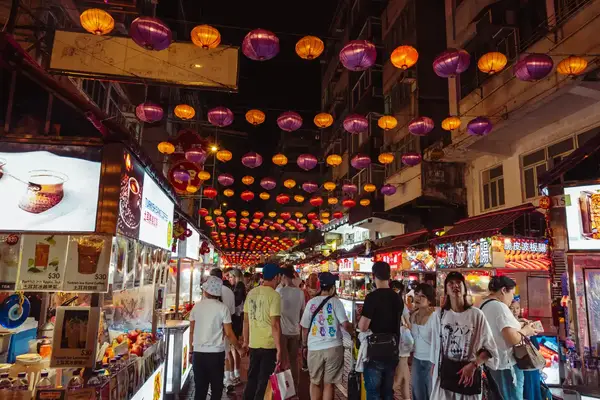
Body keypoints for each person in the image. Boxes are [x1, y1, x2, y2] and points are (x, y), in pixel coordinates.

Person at [429, 271, 499, 400]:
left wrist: (474, 365)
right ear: (446, 290)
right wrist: (434, 367)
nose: (455, 285)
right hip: (446, 374)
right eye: (450, 283)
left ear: (464, 288)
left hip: (469, 376)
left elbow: (490, 349)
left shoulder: (476, 315)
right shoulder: (439, 316)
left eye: (458, 282)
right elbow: (436, 347)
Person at [480, 277, 540, 400]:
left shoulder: (483, 304)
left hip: (490, 363)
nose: (512, 298)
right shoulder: (500, 307)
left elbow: (498, 330)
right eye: (511, 293)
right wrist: (526, 330)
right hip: (503, 364)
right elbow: (513, 339)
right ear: (503, 290)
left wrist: (519, 325)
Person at [301, 272, 353, 400]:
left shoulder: (311, 303)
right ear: (333, 288)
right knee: (329, 384)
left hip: (314, 348)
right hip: (334, 347)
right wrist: (353, 333)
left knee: (315, 382)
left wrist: (304, 345)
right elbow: (345, 325)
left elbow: (304, 327)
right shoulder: (336, 302)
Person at [189, 276, 243, 400]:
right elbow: (229, 333)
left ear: (206, 291)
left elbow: (192, 331)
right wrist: (239, 348)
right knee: (216, 390)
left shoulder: (196, 307)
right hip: (216, 355)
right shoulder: (222, 308)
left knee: (200, 391)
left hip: (199, 354)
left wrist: (191, 352)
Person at [358, 261, 404, 400]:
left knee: (373, 392)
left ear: (374, 276)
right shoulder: (397, 298)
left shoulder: (372, 297)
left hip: (375, 351)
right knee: (387, 392)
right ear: (389, 276)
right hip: (392, 349)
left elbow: (363, 326)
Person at [242, 264, 284, 400]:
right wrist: (279, 349)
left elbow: (246, 321)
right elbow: (275, 324)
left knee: (252, 378)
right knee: (264, 381)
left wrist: (246, 341)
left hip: (254, 344)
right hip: (269, 345)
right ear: (276, 277)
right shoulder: (274, 295)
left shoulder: (251, 293)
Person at [277, 267, 305, 388]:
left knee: (282, 361)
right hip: (295, 331)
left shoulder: (280, 291)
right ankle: (295, 387)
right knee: (294, 361)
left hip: (282, 332)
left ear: (283, 277)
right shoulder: (300, 292)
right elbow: (302, 312)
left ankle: (284, 389)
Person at [210, 268, 236, 391]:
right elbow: (233, 312)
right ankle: (228, 380)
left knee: (214, 355)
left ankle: (218, 381)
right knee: (225, 354)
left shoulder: (209, 293)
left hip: (212, 329)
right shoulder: (229, 291)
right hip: (226, 328)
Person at [409, 283, 436, 400]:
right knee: (417, 392)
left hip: (431, 361)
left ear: (430, 300)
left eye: (423, 296)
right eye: (416, 294)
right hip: (416, 359)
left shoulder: (435, 317)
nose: (418, 298)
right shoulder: (413, 316)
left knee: (431, 393)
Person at [391, 280, 411, 400]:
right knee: (401, 373)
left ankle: (407, 398)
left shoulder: (386, 303)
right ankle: (389, 392)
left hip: (392, 340)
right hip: (403, 340)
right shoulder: (400, 303)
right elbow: (408, 323)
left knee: (405, 375)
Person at [229, 268, 247, 385]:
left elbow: (236, 303)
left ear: (236, 277)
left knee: (234, 346)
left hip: (236, 320)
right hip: (237, 320)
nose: (229, 279)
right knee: (234, 346)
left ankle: (235, 373)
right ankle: (235, 372)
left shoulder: (239, 287)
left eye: (231, 277)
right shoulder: (238, 287)